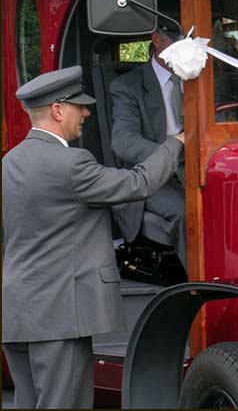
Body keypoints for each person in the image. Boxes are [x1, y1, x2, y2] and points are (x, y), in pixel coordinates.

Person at [2, 66, 184, 409]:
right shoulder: (72, 163)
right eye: (79, 106)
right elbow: (138, 184)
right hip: (61, 318)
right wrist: (175, 143)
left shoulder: (8, 163)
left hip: (17, 316)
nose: (86, 113)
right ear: (58, 110)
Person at [109, 26, 187, 267]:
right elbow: (123, 141)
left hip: (203, 167)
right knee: (189, 213)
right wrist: (171, 153)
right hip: (154, 175)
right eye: (178, 40)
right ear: (157, 40)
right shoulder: (127, 86)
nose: (186, 47)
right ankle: (202, 286)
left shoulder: (204, 80)